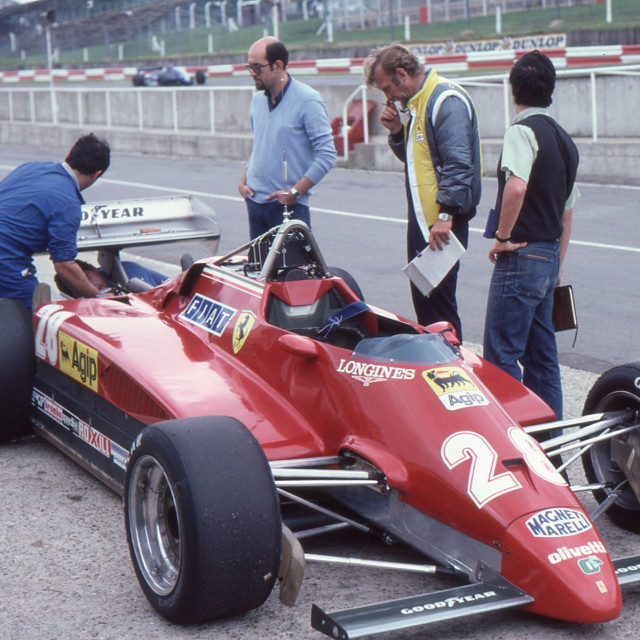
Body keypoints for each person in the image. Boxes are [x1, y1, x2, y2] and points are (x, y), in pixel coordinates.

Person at [483, 50, 579, 421]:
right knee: (543, 358)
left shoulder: (521, 131)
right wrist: (556, 265)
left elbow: (516, 187)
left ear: (513, 90)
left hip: (520, 254)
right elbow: (568, 212)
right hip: (549, 254)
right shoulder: (565, 140)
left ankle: (512, 438)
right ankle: (548, 440)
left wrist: (502, 237)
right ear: (550, 90)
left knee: (501, 354)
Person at [365, 43, 482, 341]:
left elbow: (458, 164)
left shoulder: (445, 99)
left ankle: (451, 369)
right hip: (424, 221)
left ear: (402, 74)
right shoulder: (418, 104)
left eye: (388, 88)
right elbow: (422, 163)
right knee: (427, 308)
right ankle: (438, 368)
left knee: (439, 312)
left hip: (441, 223)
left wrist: (445, 215)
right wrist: (397, 133)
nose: (388, 97)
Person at [238, 36, 337, 239]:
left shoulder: (308, 100)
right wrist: (243, 180)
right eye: (249, 66)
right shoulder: (257, 100)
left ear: (278, 65)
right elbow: (260, 145)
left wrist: (295, 192)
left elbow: (327, 155)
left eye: (257, 67)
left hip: (288, 209)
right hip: (255, 204)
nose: (251, 73)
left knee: (292, 270)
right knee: (259, 270)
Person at [0, 133, 111, 309]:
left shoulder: (30, 168)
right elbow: (64, 265)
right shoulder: (67, 204)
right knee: (33, 319)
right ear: (96, 175)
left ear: (69, 155)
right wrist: (98, 297)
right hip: (6, 261)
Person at [69, 259, 169, 294]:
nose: (92, 286)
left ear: (93, 268)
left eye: (89, 278)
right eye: (83, 285)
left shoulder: (128, 271)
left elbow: (152, 300)